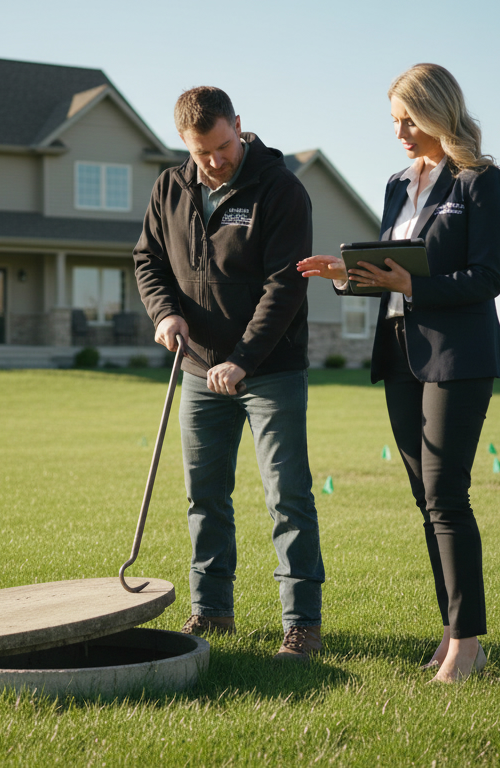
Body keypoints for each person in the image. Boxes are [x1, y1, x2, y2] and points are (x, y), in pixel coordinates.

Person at [297, 64, 500, 682]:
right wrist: (347, 275)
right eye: (394, 121)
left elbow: (487, 278)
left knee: (447, 496)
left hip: (457, 357)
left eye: (409, 120)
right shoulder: (398, 184)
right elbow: (392, 269)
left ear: (440, 112)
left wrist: (413, 286)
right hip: (399, 353)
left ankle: (467, 644)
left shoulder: (481, 182)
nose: (400, 133)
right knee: (426, 501)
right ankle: (452, 632)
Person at [133, 86, 326, 660]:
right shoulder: (170, 188)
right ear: (184, 143)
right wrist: (164, 313)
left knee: (287, 498)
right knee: (205, 497)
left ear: (238, 125)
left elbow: (285, 285)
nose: (215, 160)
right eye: (202, 152)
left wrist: (242, 359)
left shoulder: (281, 189)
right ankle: (212, 611)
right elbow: (148, 259)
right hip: (197, 369)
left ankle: (302, 624)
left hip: (270, 371)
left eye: (222, 146)